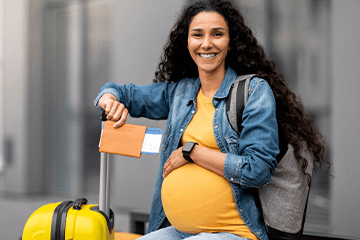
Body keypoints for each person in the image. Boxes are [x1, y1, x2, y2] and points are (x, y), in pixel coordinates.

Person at [94, 0, 326, 239]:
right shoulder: (182, 92)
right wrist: (109, 100)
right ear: (187, 42)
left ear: (230, 42)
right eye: (197, 34)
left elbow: (257, 170)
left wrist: (191, 152)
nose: (206, 43)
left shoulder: (253, 92)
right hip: (180, 229)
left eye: (217, 34)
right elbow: (122, 92)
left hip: (237, 232)